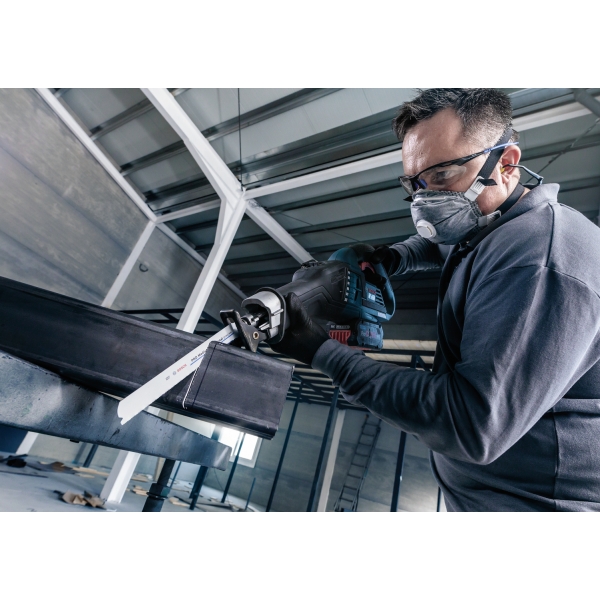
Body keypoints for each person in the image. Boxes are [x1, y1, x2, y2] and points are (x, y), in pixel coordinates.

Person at [268, 88, 600, 512]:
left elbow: (470, 424)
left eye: (441, 176)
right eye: (415, 184)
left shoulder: (539, 261)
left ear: (506, 164)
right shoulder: (496, 222)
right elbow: (446, 241)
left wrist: (322, 353)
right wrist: (394, 258)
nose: (425, 201)